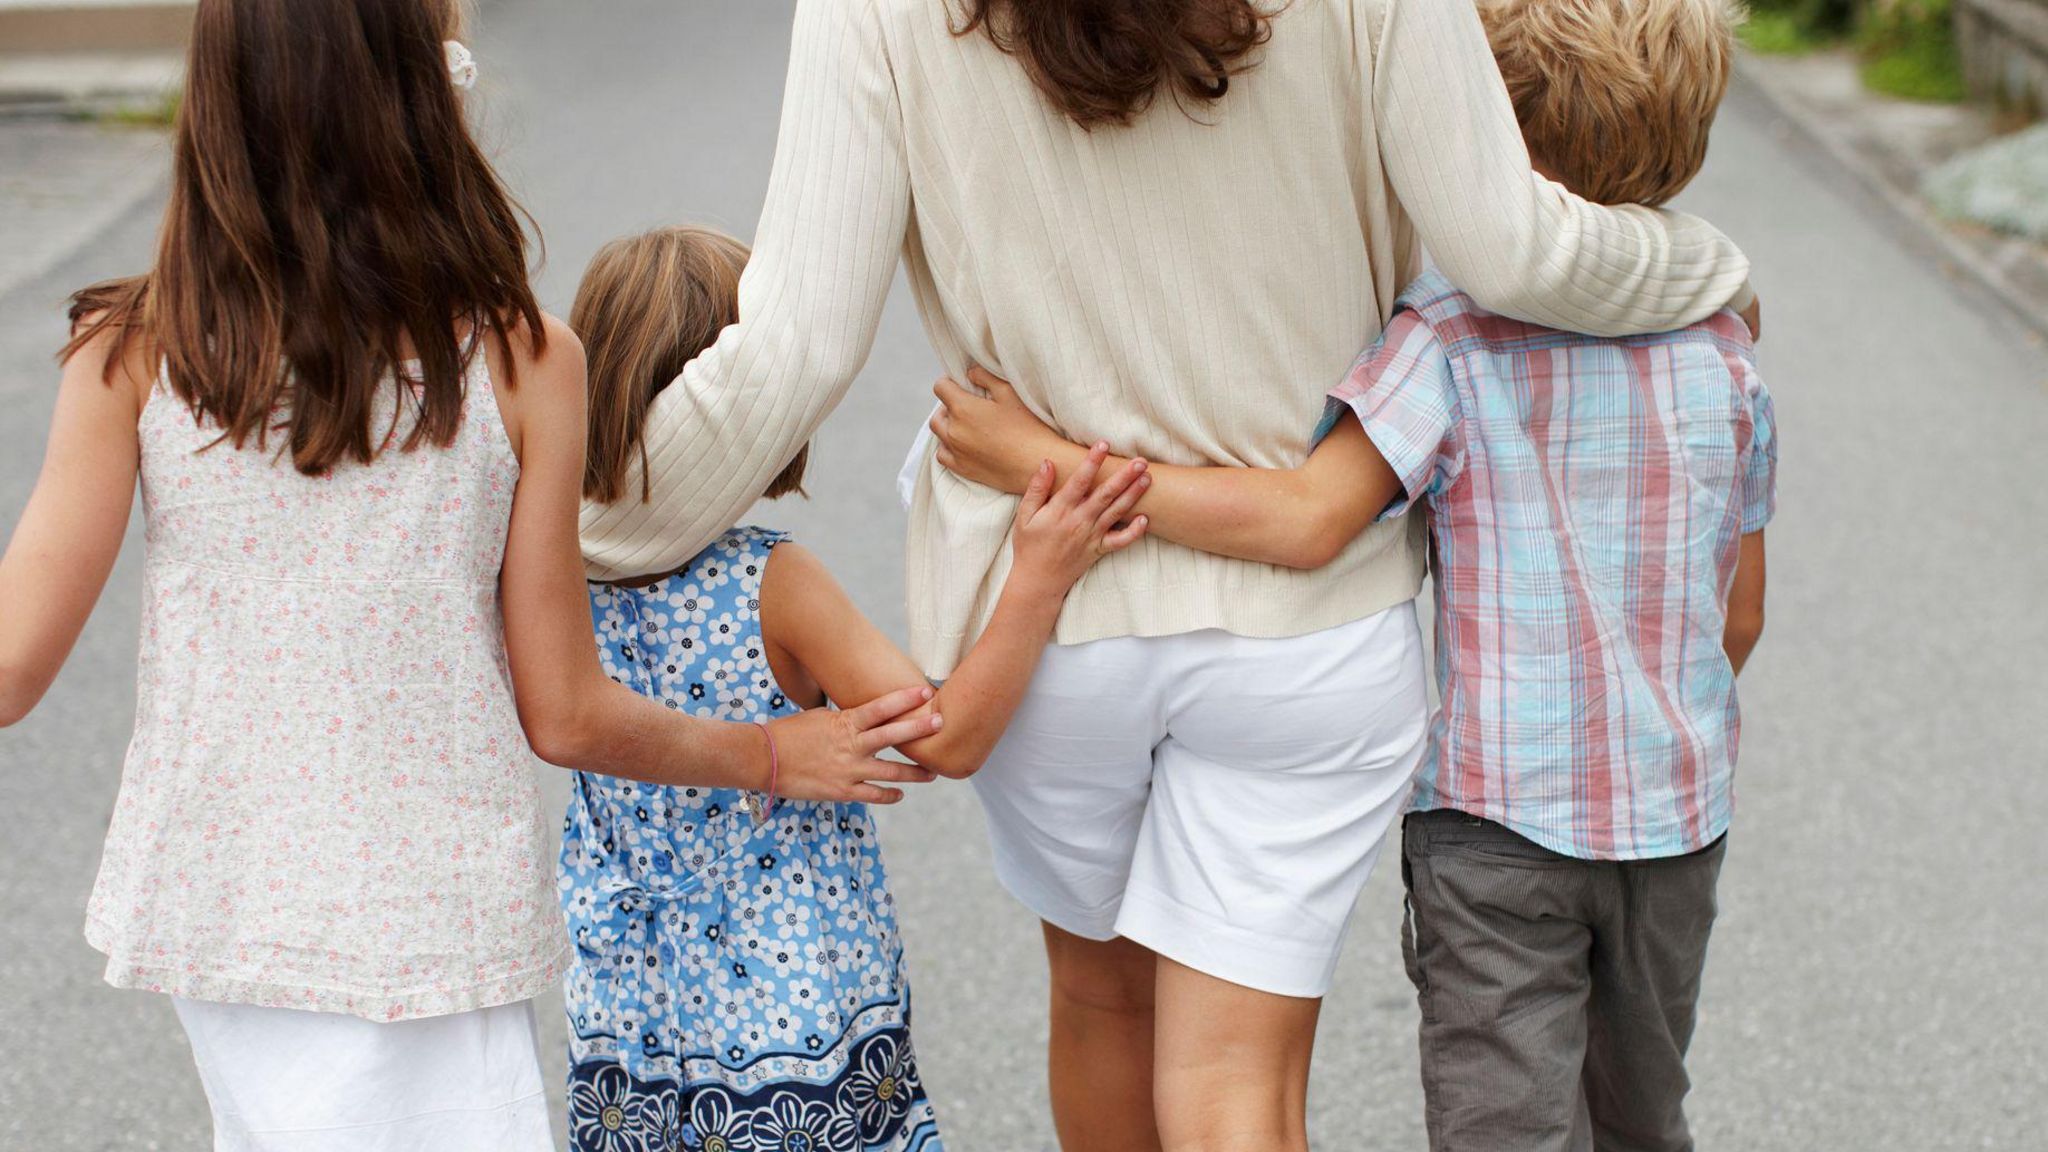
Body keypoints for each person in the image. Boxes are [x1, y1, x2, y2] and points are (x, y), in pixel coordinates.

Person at [577, 0, 1758, 1146]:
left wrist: (576, 524)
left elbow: (794, 346)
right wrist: (1693, 261)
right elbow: (1514, 250)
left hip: (1048, 609)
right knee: (1234, 1079)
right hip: (1302, 627)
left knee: (1099, 1001)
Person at [0, 5, 936, 1150]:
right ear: (416, 102)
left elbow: (8, 668)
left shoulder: (135, 352)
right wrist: (770, 752)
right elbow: (564, 709)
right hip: (426, 919)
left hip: (223, 908)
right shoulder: (521, 361)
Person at [929, 2, 1777, 1148]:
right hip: (1674, 818)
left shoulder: (1449, 341)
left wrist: (1045, 463)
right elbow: (1739, 613)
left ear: (1476, 140)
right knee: (1640, 1112)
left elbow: (1305, 520)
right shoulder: (1723, 345)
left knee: (1503, 1124)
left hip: (1496, 823)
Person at [559, 226, 1150, 1152]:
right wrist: (1036, 576)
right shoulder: (770, 584)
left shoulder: (553, 572)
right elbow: (944, 738)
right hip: (791, 997)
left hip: (626, 996)